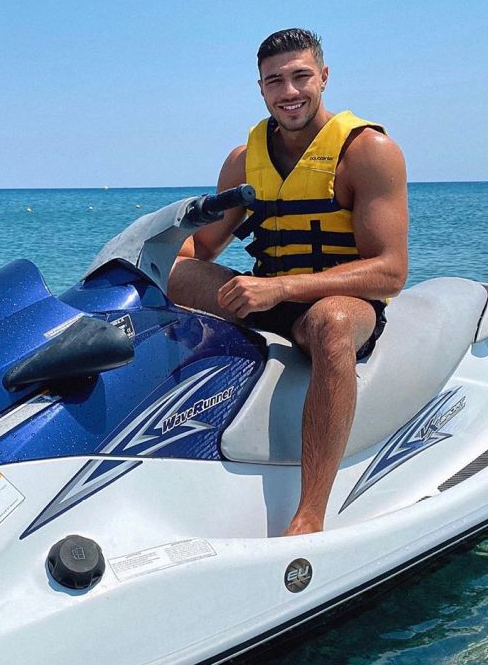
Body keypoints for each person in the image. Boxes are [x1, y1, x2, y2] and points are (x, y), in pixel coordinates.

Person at [169, 28, 409, 535]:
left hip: (343, 300)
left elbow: (390, 270)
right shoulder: (243, 160)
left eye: (301, 76)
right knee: (167, 274)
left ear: (323, 77)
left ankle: (310, 513)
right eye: (275, 80)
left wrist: (281, 288)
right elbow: (203, 248)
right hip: (265, 296)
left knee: (332, 324)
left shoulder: (369, 151)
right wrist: (151, 265)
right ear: (260, 89)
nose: (289, 91)